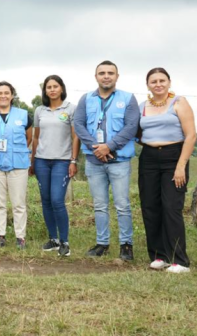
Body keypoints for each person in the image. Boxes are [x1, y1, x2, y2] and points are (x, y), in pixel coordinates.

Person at [73, 60, 140, 261]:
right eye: (102, 73)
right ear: (96, 77)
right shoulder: (86, 99)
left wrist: (108, 147)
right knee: (100, 205)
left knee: (122, 204)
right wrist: (97, 148)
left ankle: (126, 245)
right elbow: (78, 124)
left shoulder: (128, 99)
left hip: (119, 160)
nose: (106, 76)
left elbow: (131, 127)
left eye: (110, 73)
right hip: (95, 161)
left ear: (117, 76)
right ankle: (102, 243)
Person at [138, 68, 196, 273]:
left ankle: (180, 261)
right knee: (150, 207)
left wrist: (181, 166)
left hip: (174, 156)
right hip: (149, 158)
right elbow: (137, 132)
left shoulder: (180, 103)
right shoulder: (141, 106)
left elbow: (191, 136)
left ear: (169, 82)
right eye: (153, 81)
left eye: (162, 80)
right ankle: (158, 255)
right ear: (148, 85)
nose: (158, 84)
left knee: (171, 207)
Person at [30, 75, 80, 257]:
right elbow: (36, 137)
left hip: (62, 160)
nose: (52, 89)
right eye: (48, 87)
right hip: (42, 160)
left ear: (61, 88)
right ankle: (53, 239)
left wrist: (73, 160)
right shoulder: (39, 110)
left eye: (55, 86)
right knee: (46, 200)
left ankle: (65, 242)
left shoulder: (71, 109)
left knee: (57, 200)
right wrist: (33, 160)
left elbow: (76, 136)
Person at [0, 81, 33, 250]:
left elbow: (29, 138)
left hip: (18, 164)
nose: (3, 96)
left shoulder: (24, 115)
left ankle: (21, 237)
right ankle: (0, 235)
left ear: (12, 95)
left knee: (18, 203)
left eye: (6, 93)